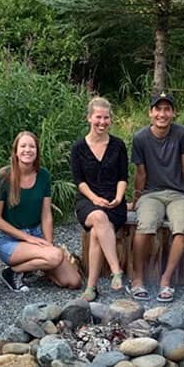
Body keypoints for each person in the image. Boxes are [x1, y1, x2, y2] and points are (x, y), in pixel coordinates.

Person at [0, 131, 81, 292]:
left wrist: (49, 242)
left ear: (37, 151)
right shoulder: (3, 177)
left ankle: (34, 266)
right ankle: (12, 272)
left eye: (32, 146)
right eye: (23, 146)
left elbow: (46, 215)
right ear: (15, 151)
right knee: (55, 256)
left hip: (36, 235)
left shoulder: (43, 175)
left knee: (74, 281)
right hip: (10, 241)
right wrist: (28, 238)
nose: (27, 150)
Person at [127, 91, 184, 303]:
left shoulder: (182, 134)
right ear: (150, 112)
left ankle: (166, 280)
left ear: (173, 113)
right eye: (158, 109)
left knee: (183, 227)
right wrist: (136, 200)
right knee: (145, 225)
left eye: (167, 109)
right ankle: (138, 278)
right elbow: (140, 173)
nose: (162, 114)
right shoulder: (140, 138)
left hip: (179, 193)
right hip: (151, 193)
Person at [70, 97, 128, 301]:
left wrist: (119, 198)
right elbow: (79, 181)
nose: (102, 122)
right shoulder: (78, 147)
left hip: (114, 202)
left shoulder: (118, 145)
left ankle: (91, 287)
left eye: (106, 118)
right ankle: (116, 270)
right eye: (98, 117)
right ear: (89, 118)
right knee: (98, 217)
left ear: (110, 119)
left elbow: (123, 178)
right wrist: (95, 199)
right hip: (88, 200)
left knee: (96, 232)